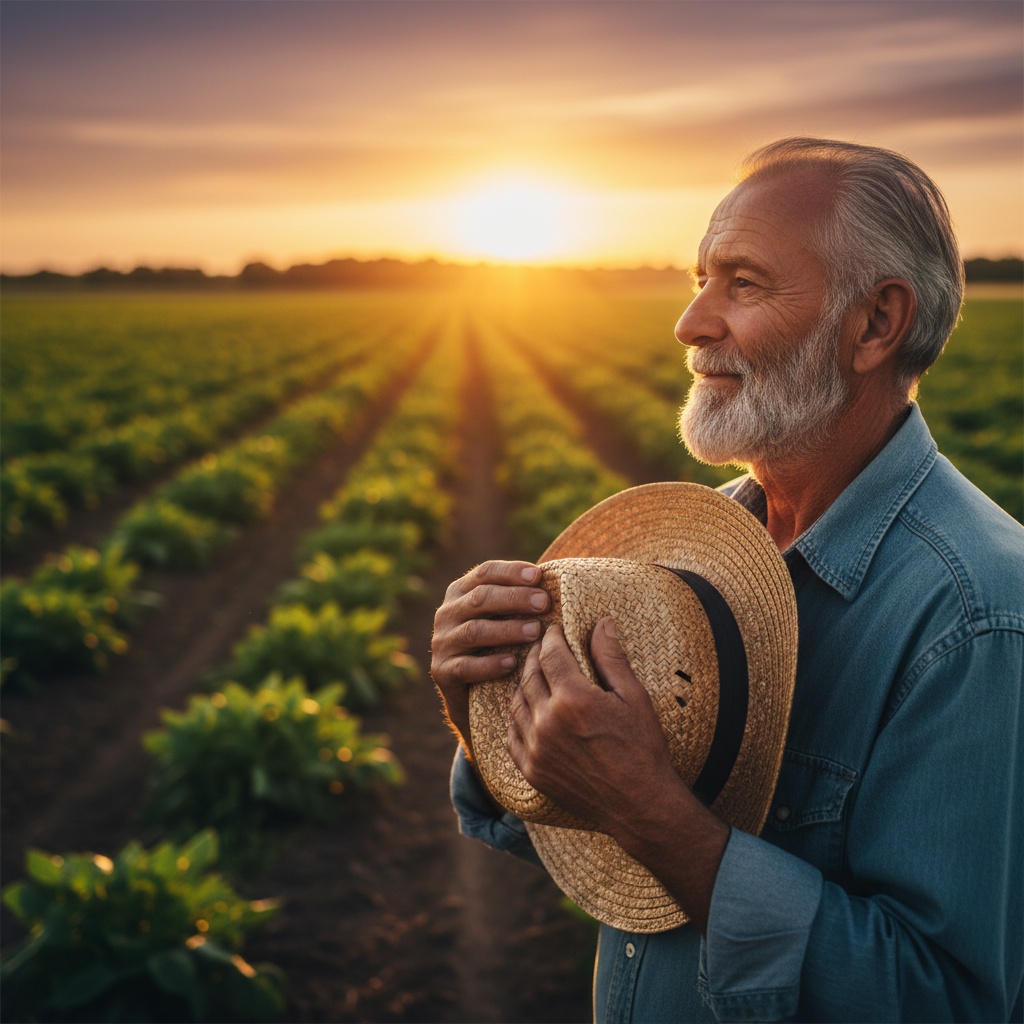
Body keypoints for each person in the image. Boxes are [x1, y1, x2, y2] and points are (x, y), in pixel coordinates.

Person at [430, 137, 1024, 1022]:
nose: (692, 323)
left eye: (742, 283)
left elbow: (943, 999)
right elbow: (582, 834)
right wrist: (485, 709)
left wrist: (655, 816)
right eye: (698, 279)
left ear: (874, 325)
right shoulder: (699, 552)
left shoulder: (975, 617)